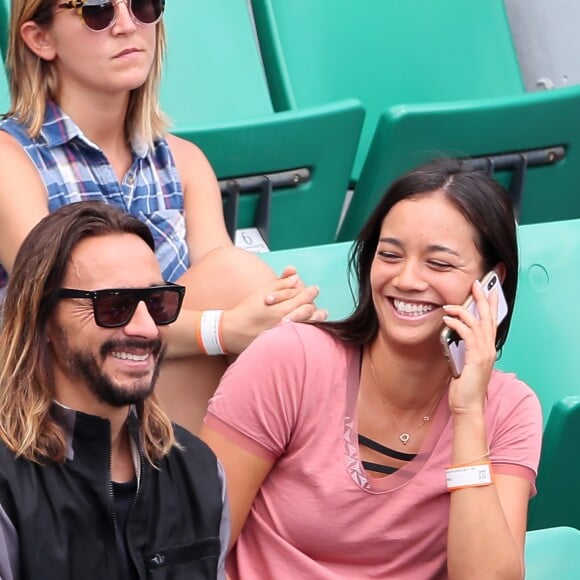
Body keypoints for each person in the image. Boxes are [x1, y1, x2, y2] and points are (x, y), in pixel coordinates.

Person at [200, 158, 544, 579]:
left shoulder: (510, 409)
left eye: (438, 264)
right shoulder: (291, 359)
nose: (406, 279)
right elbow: (198, 546)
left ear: (491, 283)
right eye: (390, 255)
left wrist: (469, 414)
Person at [0, 0, 324, 434]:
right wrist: (223, 330)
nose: (126, 26)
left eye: (143, 6)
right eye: (97, 11)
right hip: (54, 405)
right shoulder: (10, 159)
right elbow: (70, 321)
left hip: (157, 392)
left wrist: (269, 316)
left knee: (253, 290)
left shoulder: (185, 163)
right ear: (40, 38)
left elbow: (229, 284)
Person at [0, 201, 230, 579]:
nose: (146, 328)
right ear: (43, 320)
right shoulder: (8, 486)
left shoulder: (200, 471)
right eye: (113, 305)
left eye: (157, 303)